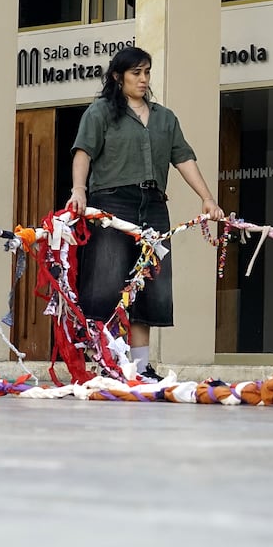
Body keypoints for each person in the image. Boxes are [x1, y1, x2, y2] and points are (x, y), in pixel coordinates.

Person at [66, 47, 224, 380]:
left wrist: (207, 198)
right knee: (106, 283)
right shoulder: (101, 113)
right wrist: (78, 191)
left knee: (150, 286)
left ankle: (139, 368)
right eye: (136, 72)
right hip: (111, 203)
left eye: (147, 72)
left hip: (152, 205)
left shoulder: (165, 117)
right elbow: (83, 153)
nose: (143, 79)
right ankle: (107, 364)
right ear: (117, 76)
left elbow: (184, 159)